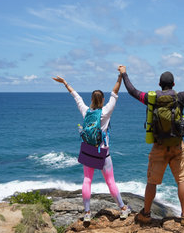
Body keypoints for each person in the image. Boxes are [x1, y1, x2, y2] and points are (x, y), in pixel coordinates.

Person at [118, 60, 184, 226]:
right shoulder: (181, 97)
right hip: (177, 146)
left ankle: (145, 214)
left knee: (152, 181)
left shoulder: (150, 98)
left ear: (159, 84)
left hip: (158, 146)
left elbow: (132, 91)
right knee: (182, 180)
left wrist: (124, 73)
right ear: (173, 84)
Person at [53, 70, 131, 222]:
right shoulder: (105, 112)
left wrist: (65, 83)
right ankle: (123, 208)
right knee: (110, 181)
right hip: (102, 152)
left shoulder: (85, 111)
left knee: (87, 180)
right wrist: (120, 76)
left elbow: (76, 96)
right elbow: (115, 92)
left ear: (91, 99)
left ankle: (87, 213)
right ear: (102, 100)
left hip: (88, 150)